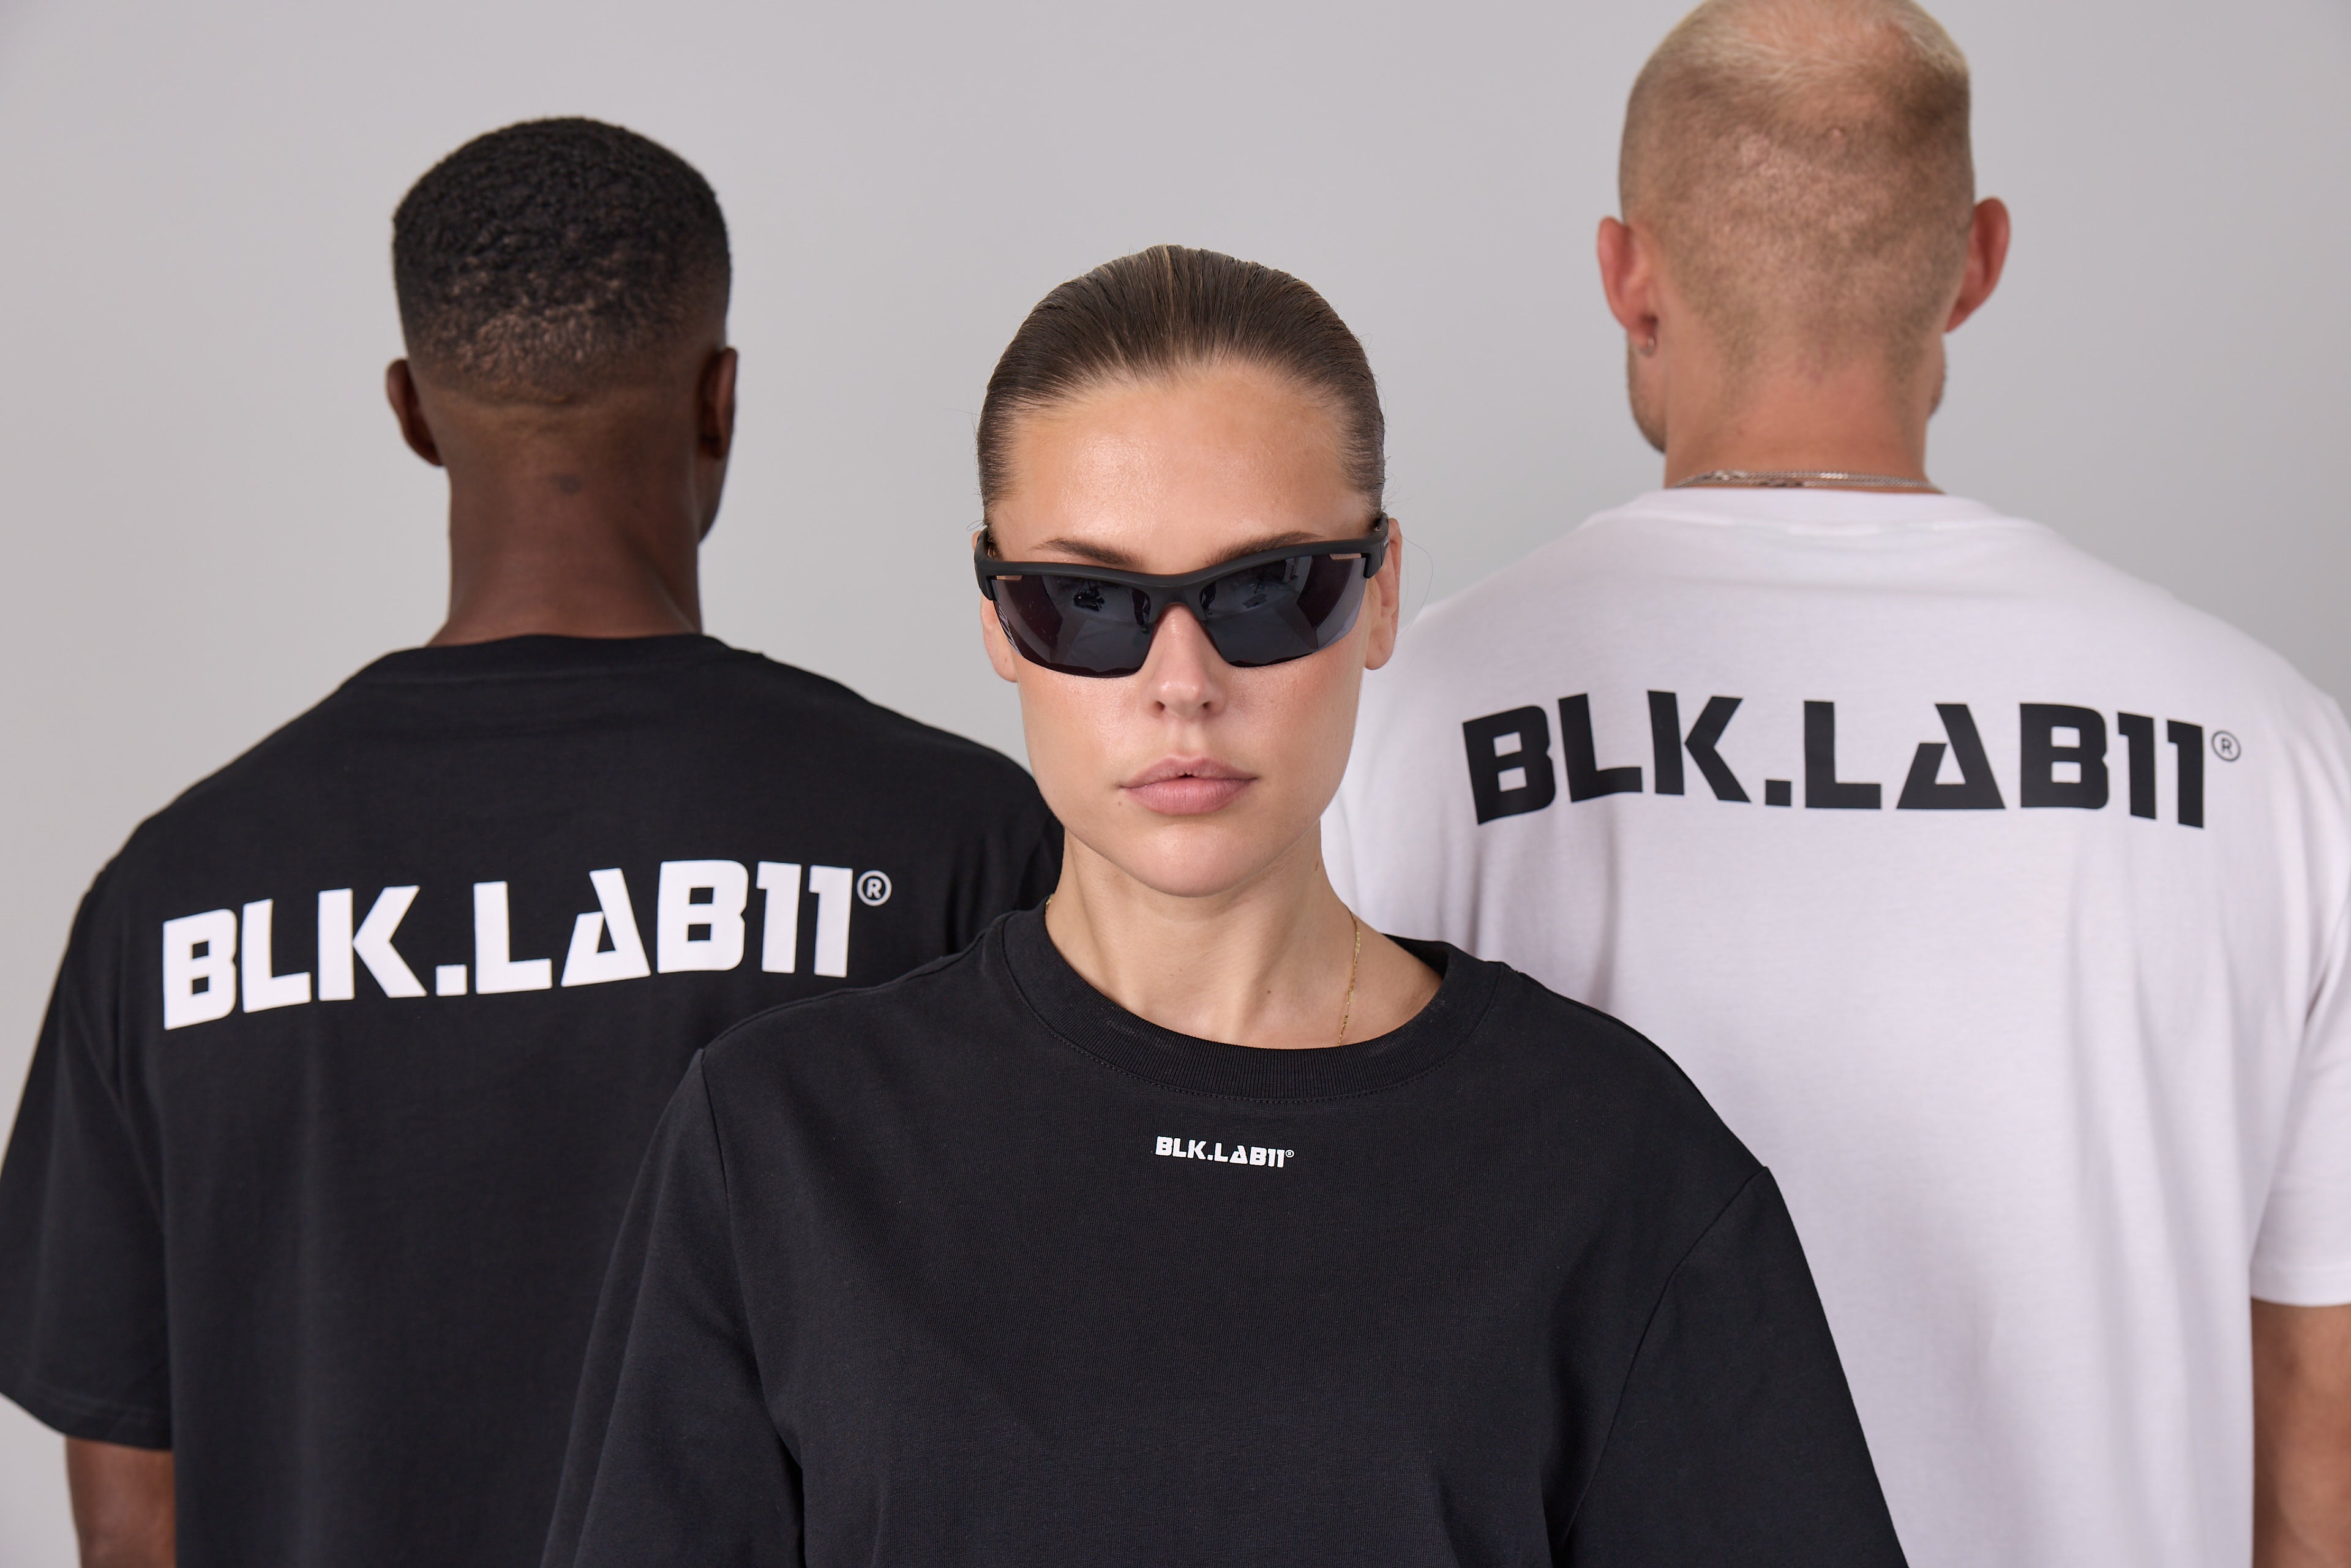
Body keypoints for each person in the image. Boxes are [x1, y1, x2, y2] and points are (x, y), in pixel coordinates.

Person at [540, 242, 1904, 1566]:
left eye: (1264, 593)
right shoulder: (784, 1144)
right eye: (1089, 601)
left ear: (1377, 595)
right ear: (1000, 618)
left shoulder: (1609, 1157)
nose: (1181, 683)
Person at [1324, 2, 2351, 1564]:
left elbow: (1307, 1334)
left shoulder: (1397, 721)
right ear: (1977, 260)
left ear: (1629, 273)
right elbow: (2318, 1406)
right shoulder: (2270, 752)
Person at [0, 118, 1059, 1568]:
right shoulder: (956, 844)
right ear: (720, 402)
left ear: (411, 412)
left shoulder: (171, 900)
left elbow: (135, 1528)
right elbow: (1072, 1404)